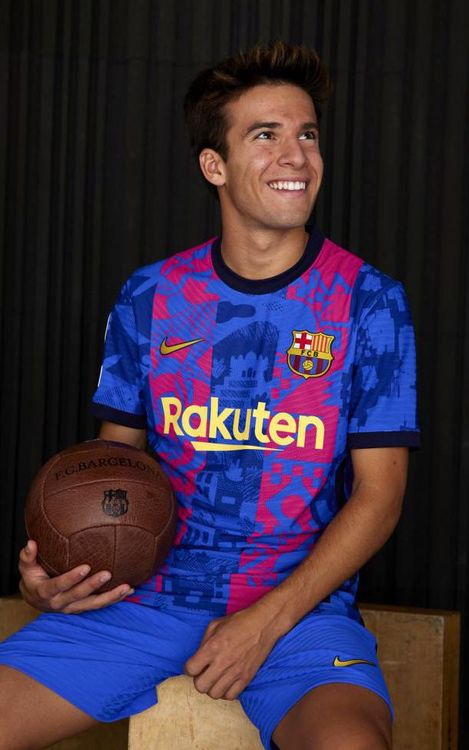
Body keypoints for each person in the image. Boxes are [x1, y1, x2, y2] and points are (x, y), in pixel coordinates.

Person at [0, 41, 419, 750]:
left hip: (299, 612)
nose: (295, 156)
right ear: (213, 165)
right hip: (144, 601)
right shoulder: (151, 295)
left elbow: (380, 496)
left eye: (307, 134)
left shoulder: (369, 301)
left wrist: (266, 622)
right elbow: (111, 467)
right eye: (266, 135)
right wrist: (62, 569)